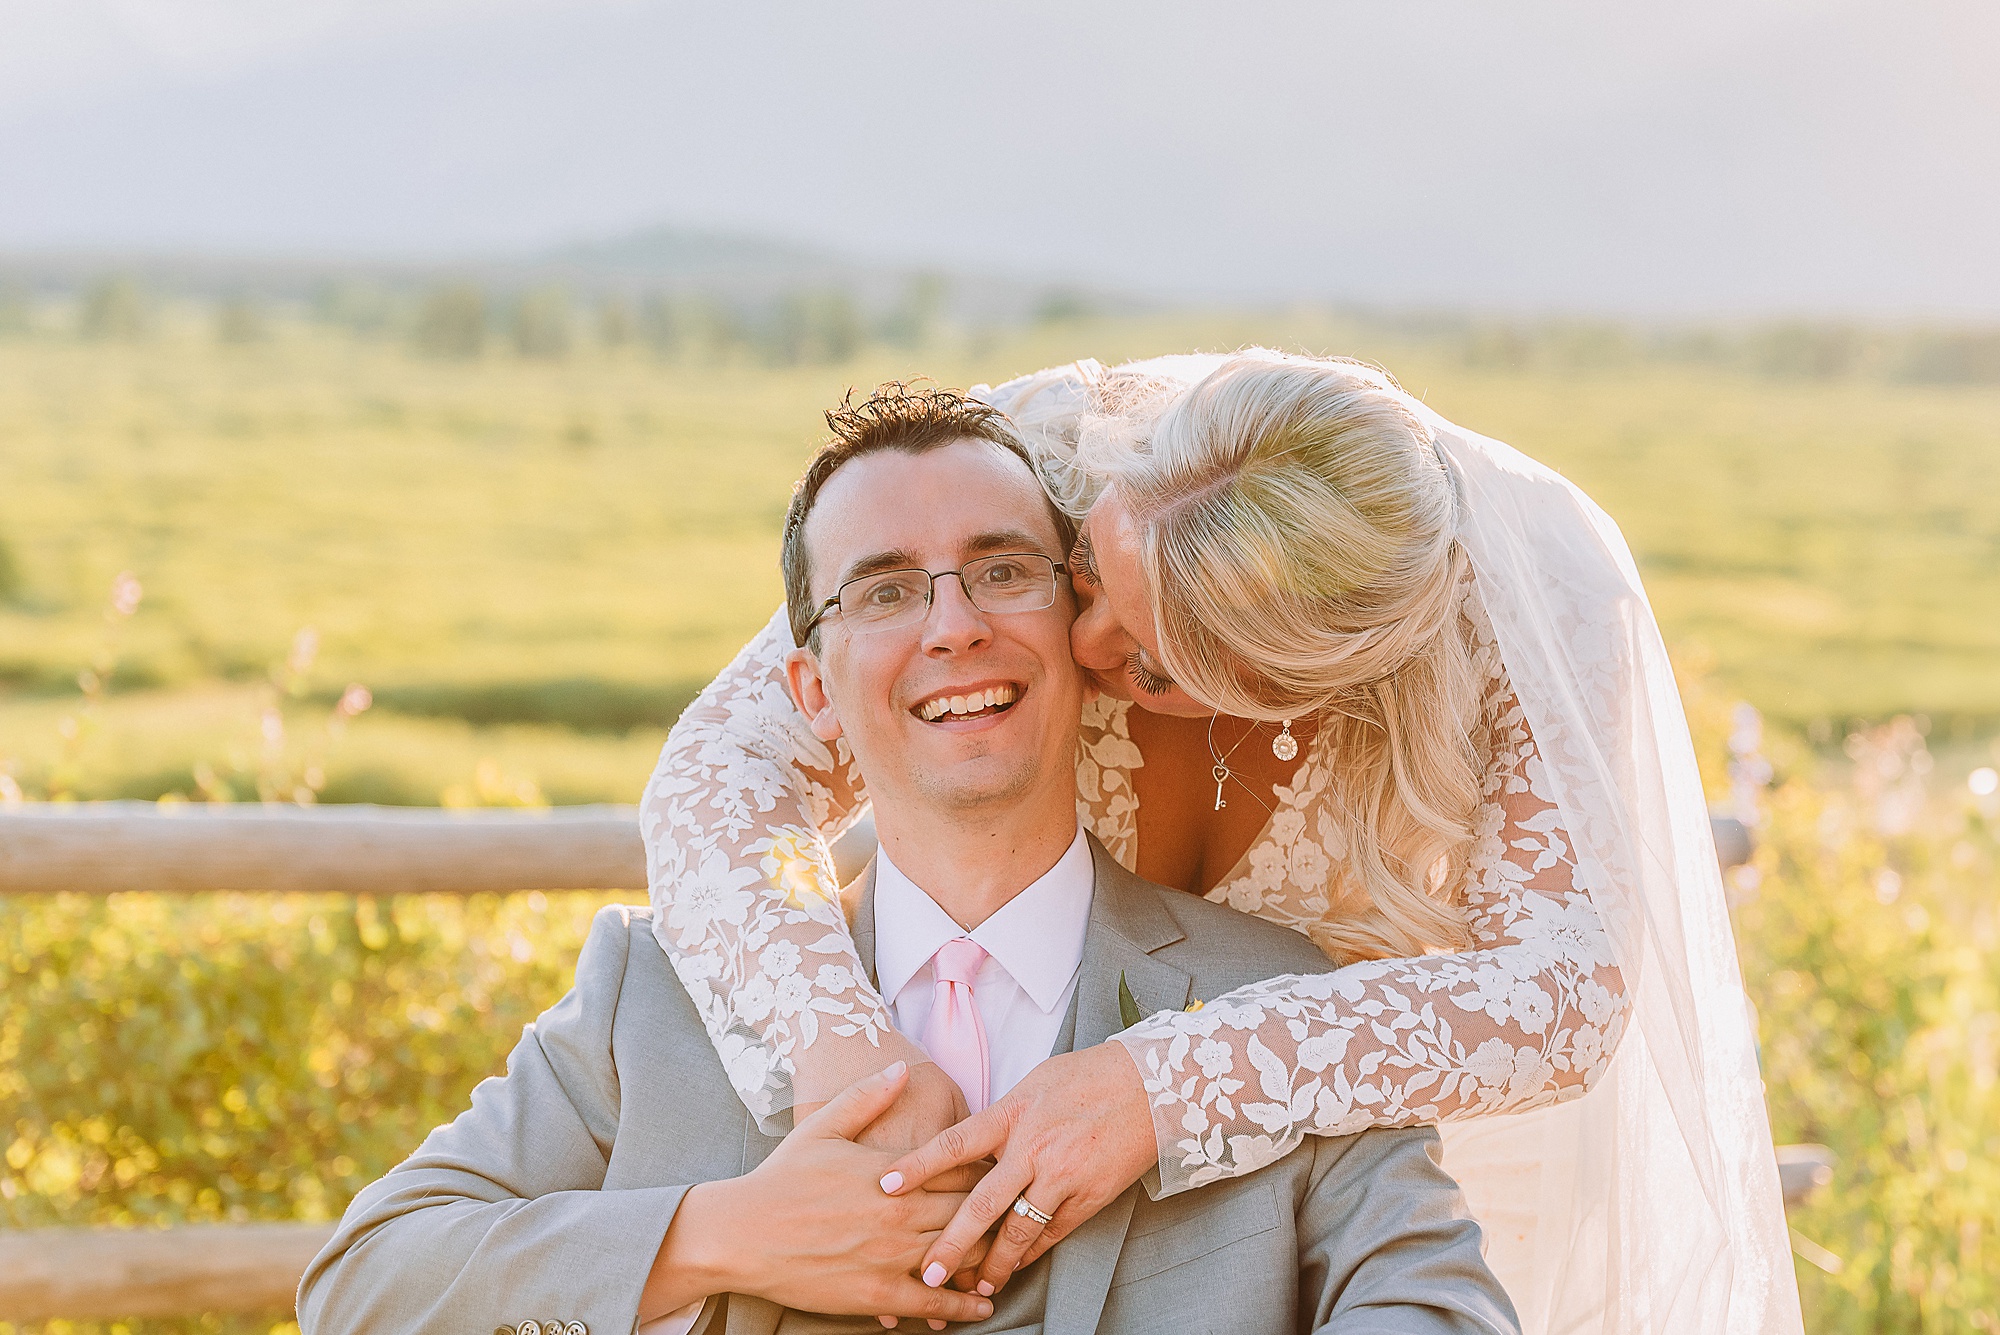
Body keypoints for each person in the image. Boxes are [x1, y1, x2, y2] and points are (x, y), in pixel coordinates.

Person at [294, 385, 1520, 1335]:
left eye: (1000, 571)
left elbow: (1440, 1306)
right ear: (810, 692)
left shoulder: (1281, 1007)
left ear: (1077, 621)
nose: (952, 624)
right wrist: (715, 1236)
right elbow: (363, 1283)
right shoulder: (650, 992)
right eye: (882, 593)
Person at [640, 354, 1801, 1333]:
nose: (1084, 645)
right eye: (1088, 575)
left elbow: (1563, 994)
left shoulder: (1521, 611)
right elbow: (713, 781)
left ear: (1296, 693)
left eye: (1153, 667)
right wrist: (840, 1050)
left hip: (1365, 1169)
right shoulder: (1032, 468)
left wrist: (1170, 1080)